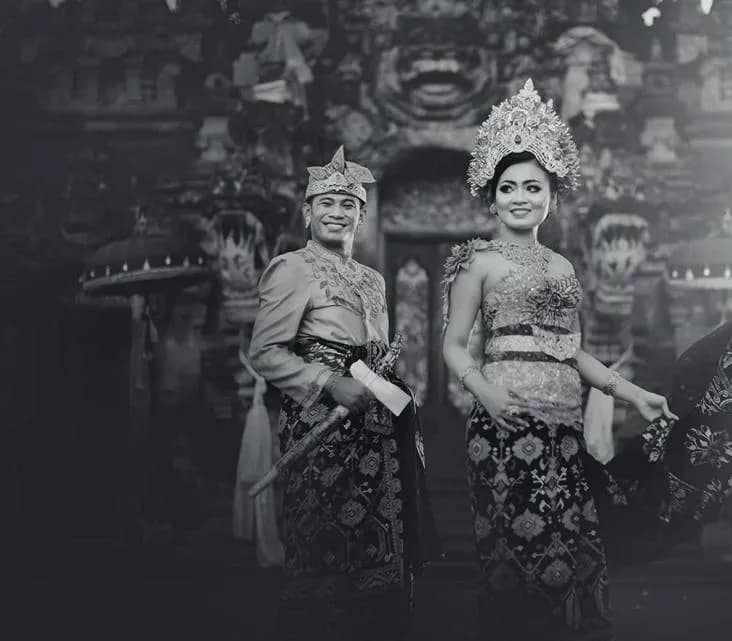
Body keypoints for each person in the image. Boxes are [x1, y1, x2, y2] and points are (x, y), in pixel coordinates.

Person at [441, 79, 678, 641]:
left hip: (563, 430)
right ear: (491, 195)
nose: (519, 197)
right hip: (503, 425)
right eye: (508, 188)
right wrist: (484, 390)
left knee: (570, 551)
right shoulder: (479, 263)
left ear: (552, 194)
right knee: (511, 558)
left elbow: (570, 352)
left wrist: (632, 393)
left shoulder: (564, 269)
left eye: (532, 186)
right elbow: (452, 344)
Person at [249, 146, 434, 640]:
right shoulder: (290, 268)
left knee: (384, 548)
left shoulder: (373, 280)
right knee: (323, 543)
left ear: (361, 214)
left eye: (347, 204)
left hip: (377, 428)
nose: (336, 212)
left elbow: (372, 354)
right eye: (325, 203)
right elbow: (265, 353)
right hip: (320, 428)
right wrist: (330, 382)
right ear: (307, 213)